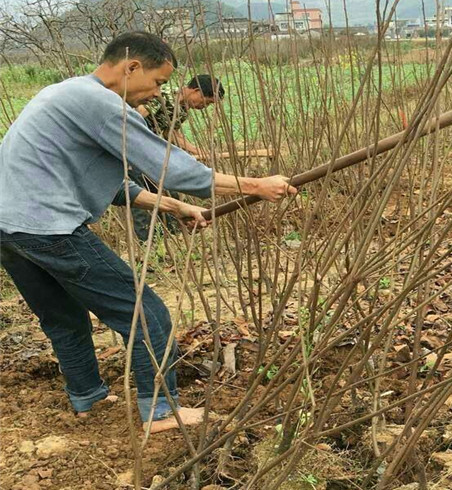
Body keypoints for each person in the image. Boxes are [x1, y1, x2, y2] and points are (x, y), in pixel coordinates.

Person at [0, 31, 296, 433]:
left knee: (63, 317)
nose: (158, 94)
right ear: (132, 66)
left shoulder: (64, 95)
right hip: (49, 229)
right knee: (145, 312)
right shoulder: (101, 104)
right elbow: (171, 168)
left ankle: (87, 396)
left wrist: (171, 204)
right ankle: (159, 410)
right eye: (157, 82)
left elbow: (102, 180)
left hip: (10, 229)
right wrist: (255, 185)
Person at [132, 74, 224, 240]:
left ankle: (174, 235)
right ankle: (145, 242)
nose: (205, 106)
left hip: (150, 155)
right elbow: (135, 117)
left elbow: (171, 134)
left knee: (169, 193)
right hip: (134, 153)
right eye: (207, 102)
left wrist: (198, 151)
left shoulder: (182, 110)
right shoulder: (162, 97)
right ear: (196, 91)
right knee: (141, 198)